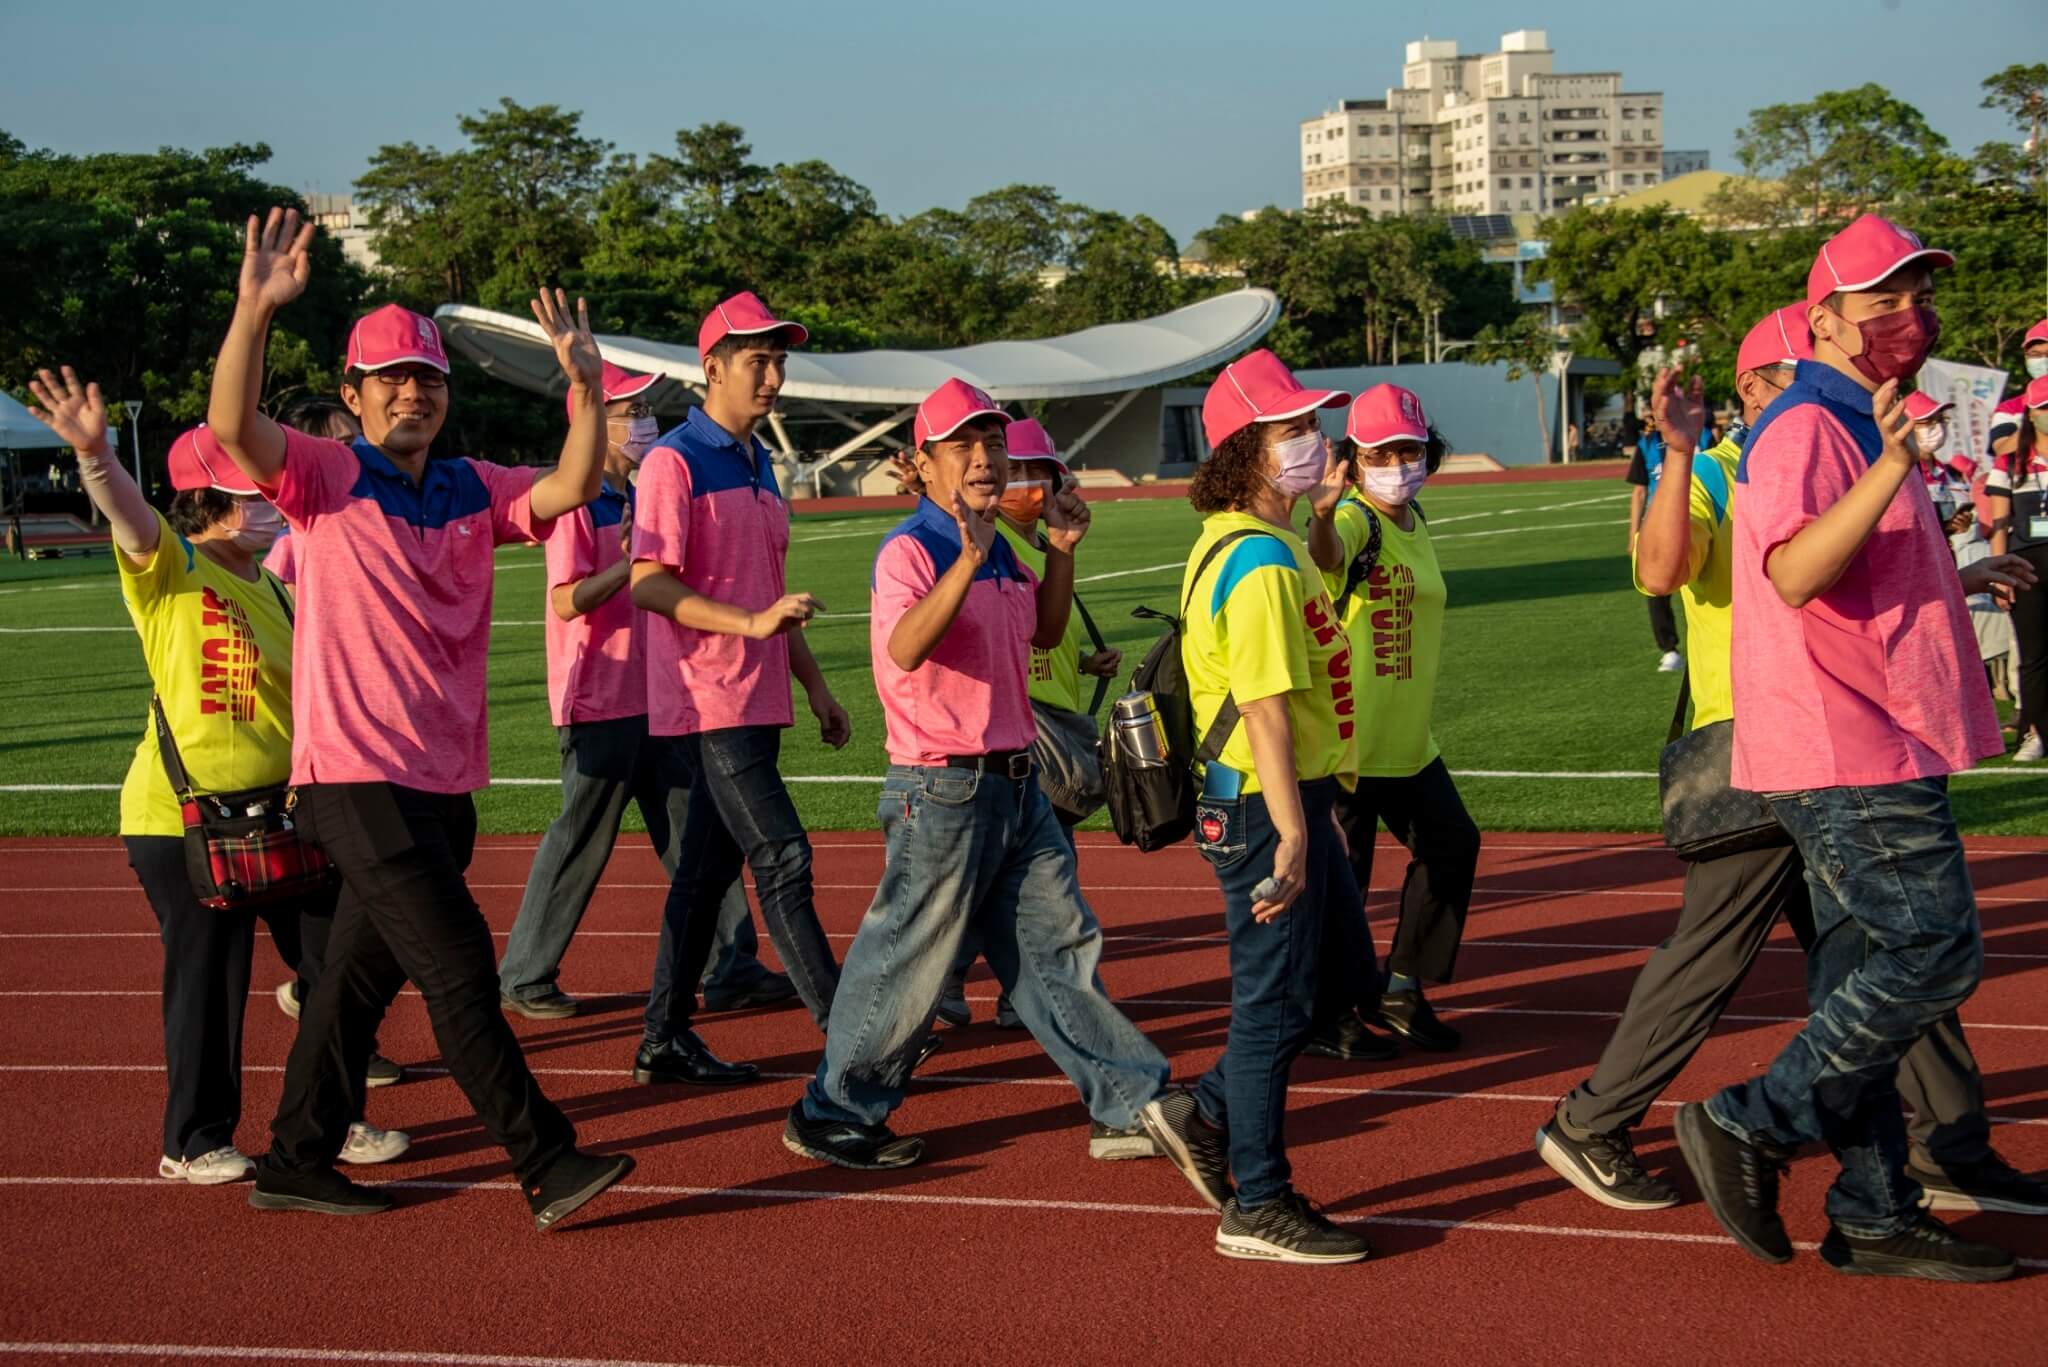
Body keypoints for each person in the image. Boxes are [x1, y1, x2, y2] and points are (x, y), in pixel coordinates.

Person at [1537, 304, 2048, 1224]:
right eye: (1795, 375)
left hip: (1830, 741)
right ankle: (1595, 1119)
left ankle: (1946, 1146)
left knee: (1896, 951)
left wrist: (1954, 578)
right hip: (1752, 745)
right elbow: (1658, 573)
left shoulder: (1832, 451)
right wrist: (1681, 451)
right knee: (1719, 954)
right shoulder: (1732, 470)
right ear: (1757, 387)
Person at [206, 206, 633, 1231]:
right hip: (354, 778)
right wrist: (253, 312)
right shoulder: (322, 474)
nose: (411, 390)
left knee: (352, 986)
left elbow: (574, 482)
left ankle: (298, 1155)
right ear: (352, 397)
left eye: (427, 377)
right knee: (458, 970)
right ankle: (546, 1159)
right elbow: (231, 428)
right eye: (389, 377)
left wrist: (582, 385)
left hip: (442, 783)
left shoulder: (469, 485)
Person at [1673, 214, 2020, 1281]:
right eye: (1882, 304)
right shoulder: (1805, 426)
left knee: (1862, 971)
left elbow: (1855, 574)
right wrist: (1892, 464)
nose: (1907, 321)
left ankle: (1872, 1204)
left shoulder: (1853, 417)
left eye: (1917, 299)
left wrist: (1948, 577)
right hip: (1846, 738)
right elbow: (1788, 570)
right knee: (1932, 951)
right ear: (1820, 317)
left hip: (1865, 729)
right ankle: (1752, 1117)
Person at [785, 379, 1184, 1192]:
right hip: (942, 787)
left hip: (1014, 781)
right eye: (964, 446)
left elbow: (1042, 629)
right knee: (909, 960)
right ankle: (832, 1109)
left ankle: (1128, 1100)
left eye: (994, 444)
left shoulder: (1002, 543)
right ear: (925, 464)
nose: (984, 458)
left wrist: (1061, 555)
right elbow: (903, 647)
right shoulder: (913, 549)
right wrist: (964, 559)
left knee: (1057, 952)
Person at [24, 370, 408, 1186]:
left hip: (283, 815)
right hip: (184, 822)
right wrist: (95, 455)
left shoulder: (270, 580)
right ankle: (193, 1137)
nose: (264, 503)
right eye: (244, 495)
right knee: (210, 977)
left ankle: (327, 1116)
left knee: (336, 963)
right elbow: (130, 519)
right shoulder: (172, 571)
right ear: (203, 504)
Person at [1140, 350, 1372, 1264]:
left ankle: (1201, 1112)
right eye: (1293, 430)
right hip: (1264, 803)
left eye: (1313, 425)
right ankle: (1258, 1198)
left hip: (1284, 795)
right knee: (1273, 1003)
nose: (1316, 442)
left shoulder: (1253, 543)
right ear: (1245, 450)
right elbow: (1267, 708)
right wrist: (1291, 835)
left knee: (1334, 982)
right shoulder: (1258, 563)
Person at [499, 360, 795, 1020]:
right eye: (630, 411)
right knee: (581, 837)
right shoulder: (577, 504)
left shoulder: (647, 491)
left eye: (646, 410)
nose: (644, 423)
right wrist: (625, 567)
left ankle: (732, 963)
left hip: (659, 695)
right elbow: (566, 599)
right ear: (595, 422)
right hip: (599, 697)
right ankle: (523, 972)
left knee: (700, 833)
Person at [627, 291, 854, 1088]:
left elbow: (772, 592)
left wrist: (818, 688)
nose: (774, 374)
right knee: (784, 856)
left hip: (759, 698)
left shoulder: (758, 462)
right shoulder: (673, 461)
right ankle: (849, 1034)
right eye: (758, 360)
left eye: (779, 359)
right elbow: (648, 581)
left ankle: (663, 1037)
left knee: (704, 876)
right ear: (712, 367)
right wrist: (749, 624)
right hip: (707, 700)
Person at [1303, 384, 1478, 1060]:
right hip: (1349, 744)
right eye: (1383, 452)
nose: (1401, 463)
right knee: (1342, 889)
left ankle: (1401, 987)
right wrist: (1320, 515)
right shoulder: (1354, 519)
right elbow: (1325, 555)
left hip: (1408, 743)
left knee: (1452, 845)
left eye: (1410, 449)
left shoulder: (1415, 519)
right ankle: (1327, 1013)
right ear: (1354, 458)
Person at [932, 419, 1122, 1038]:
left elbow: (1044, 635)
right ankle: (1029, 997)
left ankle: (955, 982)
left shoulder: (1039, 550)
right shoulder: (996, 553)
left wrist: (1086, 662)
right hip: (1019, 734)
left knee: (990, 879)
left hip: (1049, 724)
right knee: (1042, 876)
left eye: (1042, 471)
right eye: (1025, 470)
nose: (1031, 484)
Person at [1987, 376, 2048, 762]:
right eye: (2045, 408)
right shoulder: (2009, 462)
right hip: (2027, 566)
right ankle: (2034, 732)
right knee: (2034, 654)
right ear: (2030, 412)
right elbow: (1998, 524)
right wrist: (1999, 576)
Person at [1626, 418, 1683, 673]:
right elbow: (1639, 491)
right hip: (1658, 526)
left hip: (1699, 519)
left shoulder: (1702, 436)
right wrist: (1633, 534)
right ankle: (1669, 649)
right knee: (1656, 589)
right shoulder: (1646, 444)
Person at [1986, 317, 2048, 459]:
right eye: (2035, 354)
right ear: (2026, 358)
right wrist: (2038, 423)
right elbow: (2001, 451)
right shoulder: (2009, 409)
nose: (2043, 360)